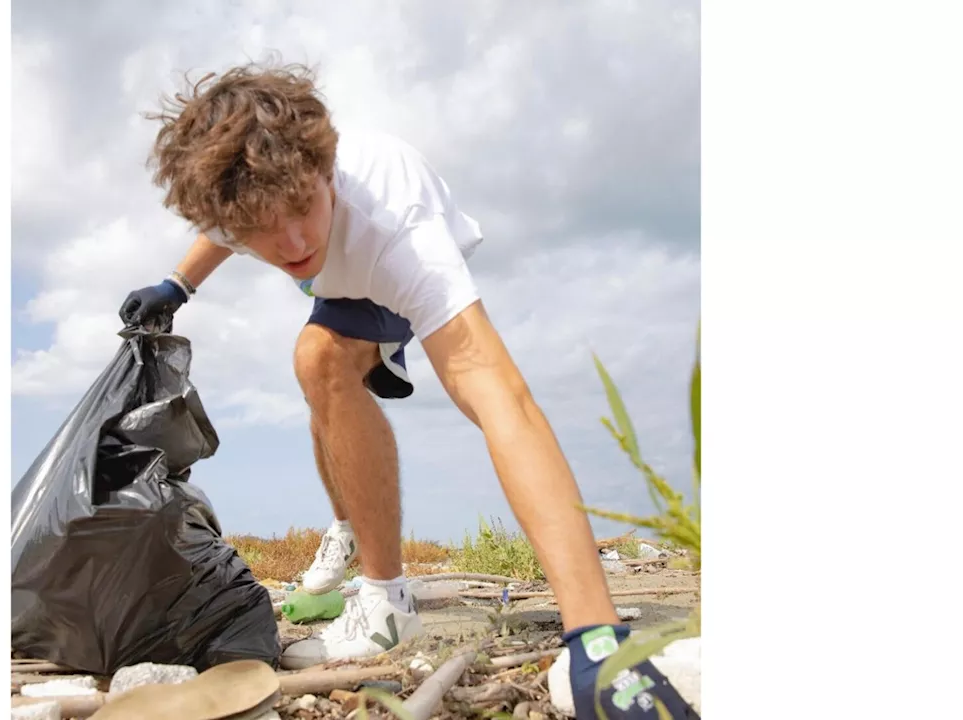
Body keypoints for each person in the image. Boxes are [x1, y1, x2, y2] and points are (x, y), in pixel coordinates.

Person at [118, 60, 698, 719]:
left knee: (320, 358)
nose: (294, 240)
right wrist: (178, 286)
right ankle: (348, 526)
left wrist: (597, 636)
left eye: (304, 205)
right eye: (261, 227)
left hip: (385, 272)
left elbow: (504, 398)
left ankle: (387, 600)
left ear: (325, 169)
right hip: (340, 284)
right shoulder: (239, 200)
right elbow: (222, 232)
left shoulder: (401, 229)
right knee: (320, 383)